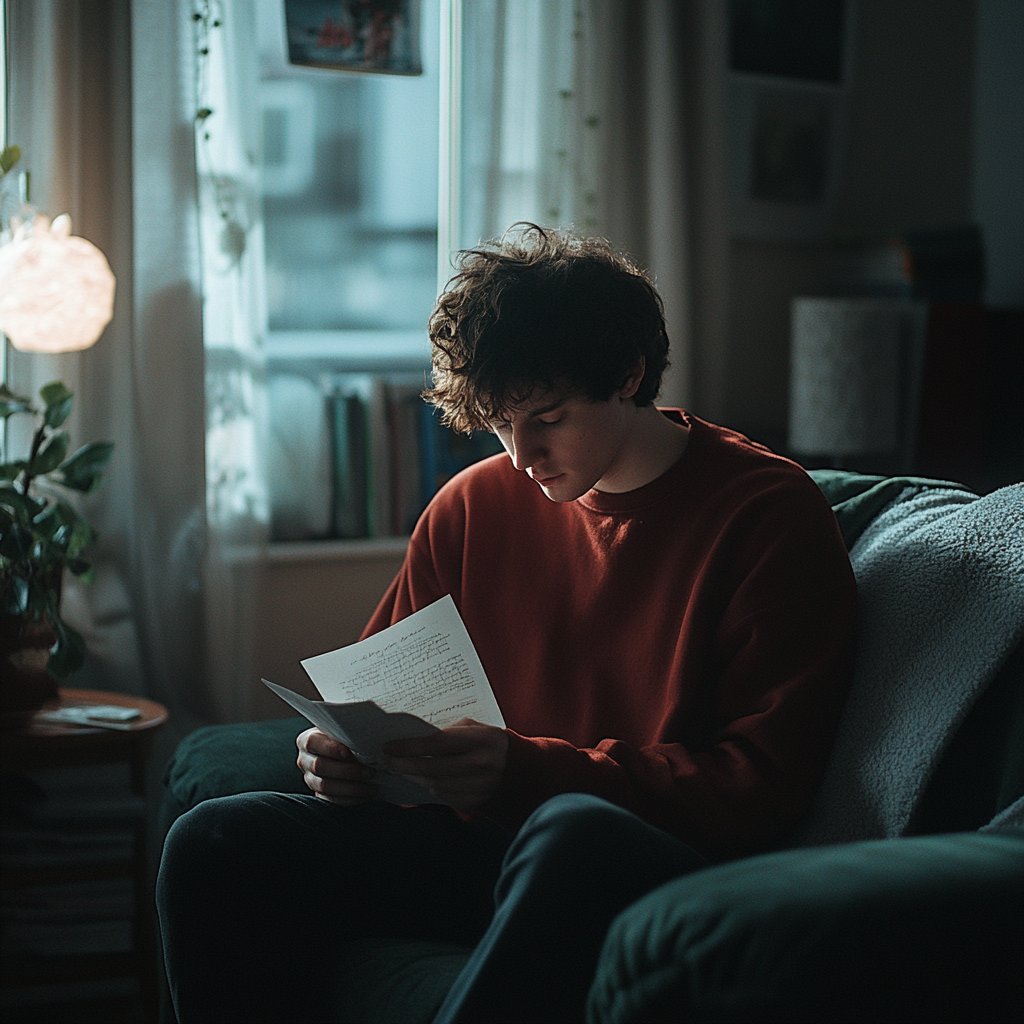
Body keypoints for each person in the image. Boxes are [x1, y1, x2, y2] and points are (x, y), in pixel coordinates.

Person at [157, 223, 857, 1023]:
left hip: (641, 861)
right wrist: (339, 759)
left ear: (629, 374)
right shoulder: (471, 506)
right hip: (477, 850)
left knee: (569, 832)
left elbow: (761, 788)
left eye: (549, 417)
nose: (522, 455)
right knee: (214, 840)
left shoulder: (767, 514)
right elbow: (377, 703)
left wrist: (526, 773)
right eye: (499, 422)